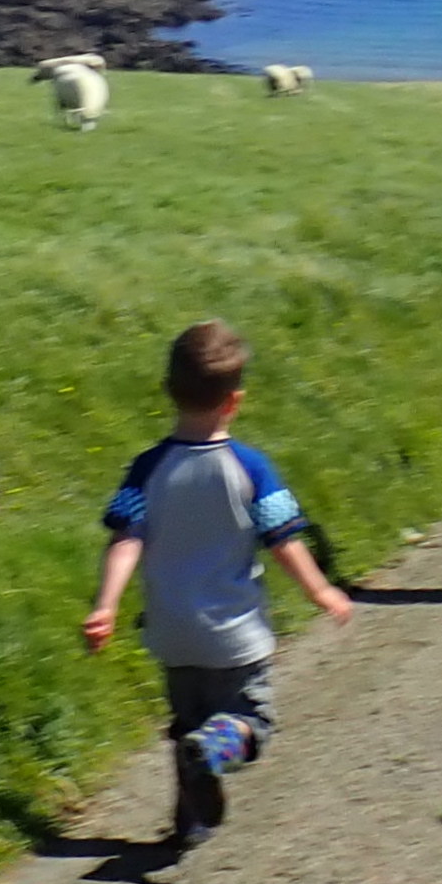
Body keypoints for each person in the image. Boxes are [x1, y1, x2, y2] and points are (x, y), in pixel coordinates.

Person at [82, 319, 355, 853]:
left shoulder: (147, 469)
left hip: (172, 634)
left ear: (168, 391)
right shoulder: (251, 468)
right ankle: (210, 757)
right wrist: (321, 591)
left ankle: (190, 821)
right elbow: (283, 538)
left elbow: (126, 539)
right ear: (235, 401)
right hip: (235, 637)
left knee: (188, 724)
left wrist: (106, 605)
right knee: (248, 723)